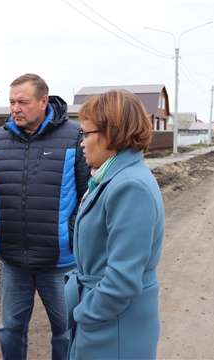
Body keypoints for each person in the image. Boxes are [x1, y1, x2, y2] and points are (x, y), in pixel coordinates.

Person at [0, 73, 90, 360]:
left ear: (43, 101)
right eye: (12, 102)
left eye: (22, 102)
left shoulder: (74, 135)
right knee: (10, 329)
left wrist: (71, 237)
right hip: (14, 261)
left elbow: (87, 195)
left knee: (66, 331)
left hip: (60, 263)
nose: (15, 108)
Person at [64, 89, 165, 359]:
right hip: (108, 324)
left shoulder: (130, 186)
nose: (81, 143)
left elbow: (122, 279)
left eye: (85, 134)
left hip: (114, 330)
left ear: (111, 133)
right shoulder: (113, 177)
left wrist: (86, 314)